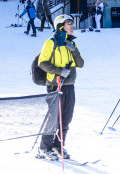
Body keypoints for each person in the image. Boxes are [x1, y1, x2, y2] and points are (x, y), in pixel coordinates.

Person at [36, 15, 84, 161]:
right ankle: (45, 148)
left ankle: (58, 145)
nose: (72, 25)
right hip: (54, 86)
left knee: (66, 118)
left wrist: (73, 50)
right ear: (60, 26)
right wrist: (59, 71)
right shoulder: (51, 43)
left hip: (69, 85)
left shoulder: (72, 44)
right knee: (53, 118)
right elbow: (42, 63)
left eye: (72, 23)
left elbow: (80, 64)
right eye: (69, 23)